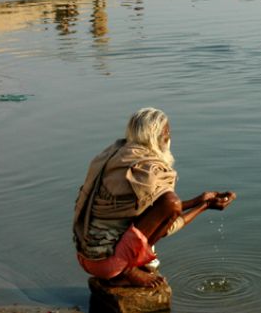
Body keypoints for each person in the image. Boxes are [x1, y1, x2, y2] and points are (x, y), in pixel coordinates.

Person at [72, 107, 236, 287]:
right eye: (168, 132)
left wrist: (201, 203)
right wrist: (199, 206)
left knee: (169, 204)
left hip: (85, 257)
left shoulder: (112, 155)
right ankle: (129, 270)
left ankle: (128, 266)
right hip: (110, 264)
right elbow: (167, 218)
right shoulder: (148, 169)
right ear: (159, 136)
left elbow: (157, 215)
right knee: (171, 202)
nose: (170, 137)